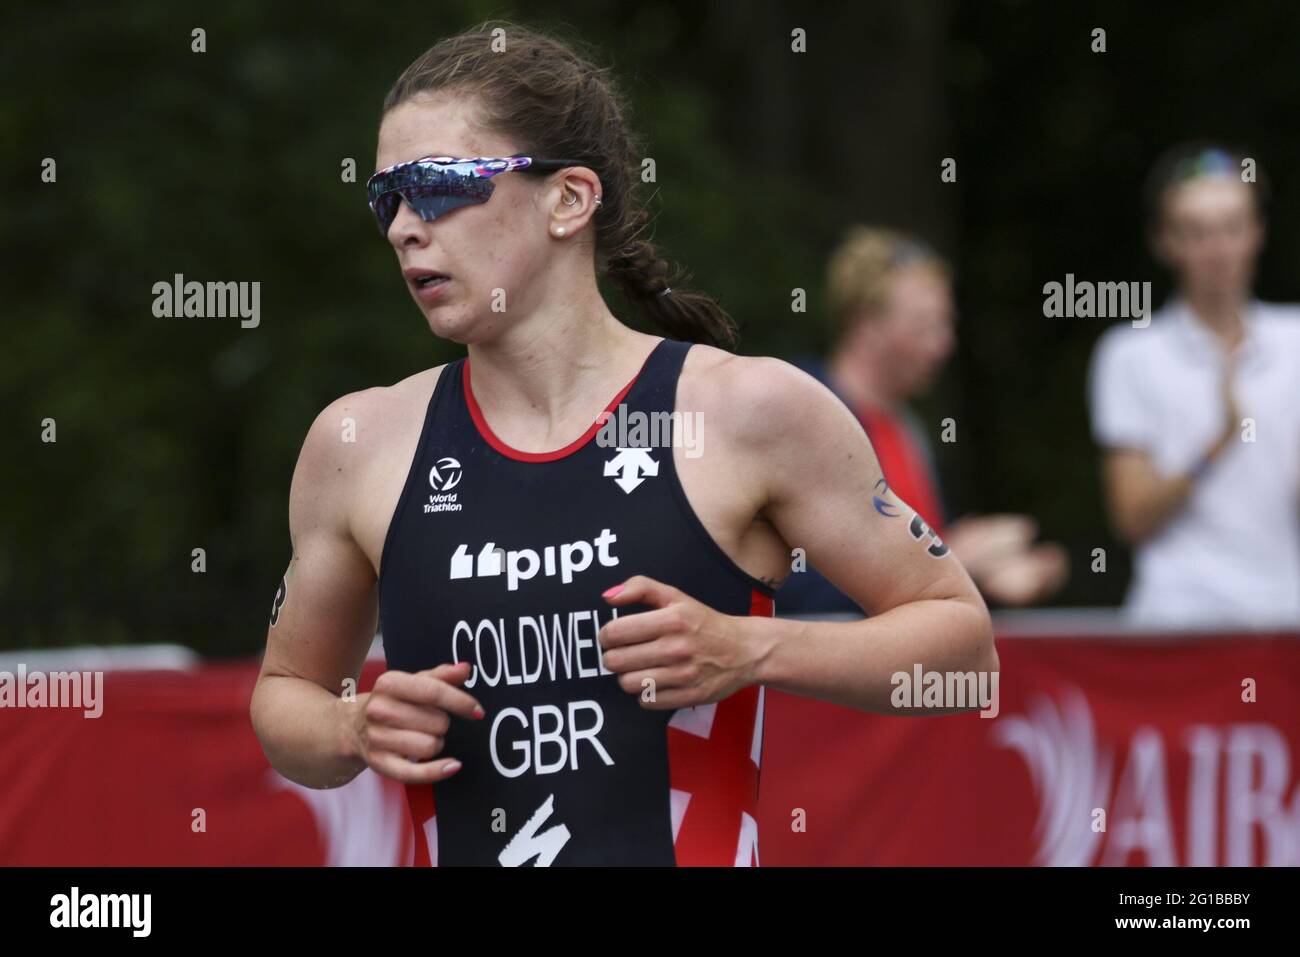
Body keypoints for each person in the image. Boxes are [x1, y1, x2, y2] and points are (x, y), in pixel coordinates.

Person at [248, 21, 997, 867]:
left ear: (569, 198)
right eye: (387, 196)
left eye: (439, 186)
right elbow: (285, 701)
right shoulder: (359, 441)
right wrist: (352, 722)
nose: (404, 228)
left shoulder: (746, 410)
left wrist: (750, 648)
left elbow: (965, 652)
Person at [779, 225, 1068, 614]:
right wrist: (952, 558)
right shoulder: (805, 409)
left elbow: (905, 566)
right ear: (867, 324)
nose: (944, 343)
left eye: (946, 324)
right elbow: (794, 582)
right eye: (924, 325)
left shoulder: (905, 426)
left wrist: (983, 572)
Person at [1088, 144, 1300, 627]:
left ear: (1258, 232)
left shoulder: (1296, 340)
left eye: (1232, 227)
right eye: (1197, 232)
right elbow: (1132, 519)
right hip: (1178, 622)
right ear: (1165, 241)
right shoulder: (1130, 354)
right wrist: (1218, 443)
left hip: (1285, 616)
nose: (1219, 249)